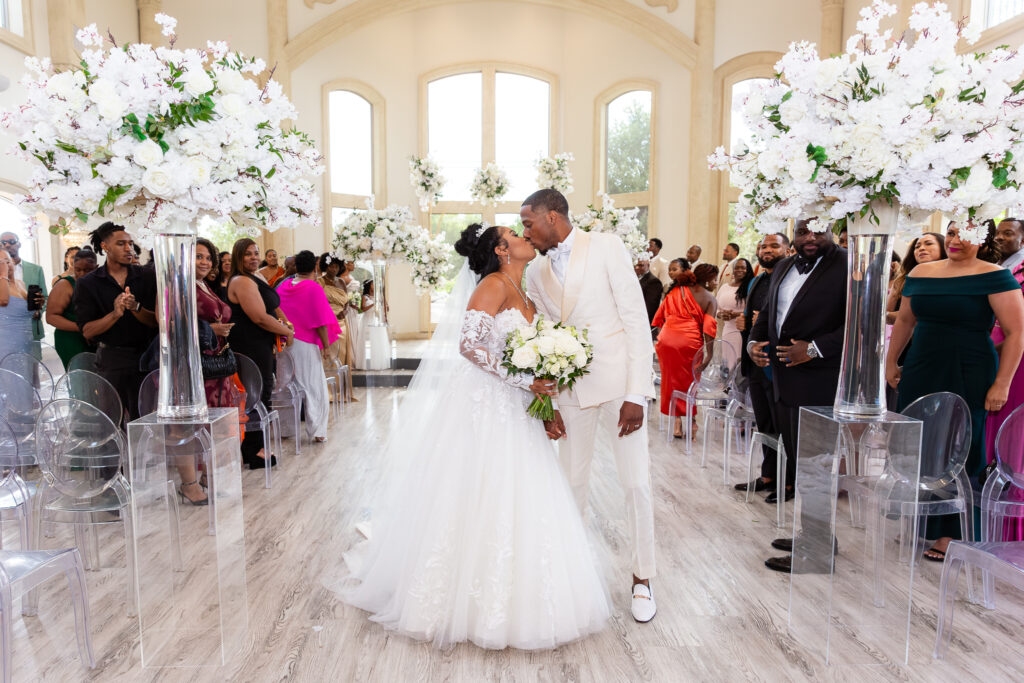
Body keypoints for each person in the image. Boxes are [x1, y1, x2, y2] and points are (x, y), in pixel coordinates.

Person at [336, 222, 610, 649]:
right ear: (502, 250)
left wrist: (545, 405)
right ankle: (460, 601)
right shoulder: (492, 286)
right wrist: (523, 381)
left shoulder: (526, 291)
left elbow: (531, 358)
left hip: (518, 409)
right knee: (480, 487)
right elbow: (469, 346)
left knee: (522, 493)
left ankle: (523, 597)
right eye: (515, 236)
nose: (525, 238)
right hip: (486, 405)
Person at [522, 189, 658, 623]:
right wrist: (549, 406)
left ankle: (642, 578)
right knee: (570, 484)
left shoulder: (606, 246)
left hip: (621, 385)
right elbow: (543, 336)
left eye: (529, 223)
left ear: (554, 217)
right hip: (569, 391)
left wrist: (637, 393)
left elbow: (635, 319)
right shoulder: (535, 273)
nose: (527, 232)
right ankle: (570, 579)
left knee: (635, 483)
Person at [887, 221, 1024, 561]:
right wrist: (891, 362)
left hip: (970, 368)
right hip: (921, 364)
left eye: (965, 234)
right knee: (919, 442)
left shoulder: (995, 276)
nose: (955, 240)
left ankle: (953, 532)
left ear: (984, 240)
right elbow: (905, 321)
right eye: (950, 233)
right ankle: (926, 523)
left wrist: (1002, 383)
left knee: (961, 446)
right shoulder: (922, 274)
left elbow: (1016, 332)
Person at [749, 220, 847, 574]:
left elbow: (859, 324)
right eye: (804, 231)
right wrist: (752, 344)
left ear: (832, 231)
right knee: (801, 465)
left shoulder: (849, 265)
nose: (810, 238)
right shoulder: (786, 265)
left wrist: (817, 349)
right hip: (784, 382)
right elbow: (770, 315)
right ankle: (816, 536)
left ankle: (817, 551)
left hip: (821, 384)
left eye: (818, 232)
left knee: (816, 467)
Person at [74, 223, 157, 419]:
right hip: (111, 359)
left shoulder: (147, 276)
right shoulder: (88, 283)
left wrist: (136, 308)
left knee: (145, 418)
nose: (128, 249)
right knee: (111, 419)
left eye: (130, 243)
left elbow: (156, 322)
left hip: (145, 357)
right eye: (121, 244)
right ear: (105, 246)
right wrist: (115, 314)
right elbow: (87, 331)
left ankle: (141, 451)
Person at [227, 238, 294, 469]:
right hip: (249, 345)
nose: (254, 257)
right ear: (238, 256)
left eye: (256, 253)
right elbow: (258, 317)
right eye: (248, 254)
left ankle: (258, 446)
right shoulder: (241, 281)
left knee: (264, 392)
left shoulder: (256, 277)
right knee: (256, 396)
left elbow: (272, 308)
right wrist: (286, 331)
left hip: (261, 345)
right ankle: (254, 450)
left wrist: (284, 323)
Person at [734, 233, 790, 497]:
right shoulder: (758, 279)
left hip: (777, 361)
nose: (767, 250)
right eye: (763, 246)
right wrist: (745, 322)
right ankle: (768, 475)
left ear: (788, 250)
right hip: (755, 360)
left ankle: (787, 482)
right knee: (764, 421)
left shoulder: (791, 277)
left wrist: (763, 322)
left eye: (774, 246)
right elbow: (751, 314)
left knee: (783, 425)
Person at [277, 251, 339, 444]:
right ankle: (318, 430)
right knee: (313, 386)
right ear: (315, 266)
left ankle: (285, 428)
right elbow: (320, 320)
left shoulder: (283, 285)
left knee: (285, 385)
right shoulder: (313, 287)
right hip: (305, 343)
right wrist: (326, 347)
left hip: (283, 341)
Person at [652, 258, 717, 439]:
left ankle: (677, 423)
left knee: (671, 381)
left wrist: (665, 335)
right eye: (714, 279)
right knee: (690, 382)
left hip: (666, 342)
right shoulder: (709, 298)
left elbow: (659, 318)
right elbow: (709, 329)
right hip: (689, 343)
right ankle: (692, 421)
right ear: (706, 280)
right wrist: (709, 355)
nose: (716, 283)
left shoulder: (675, 292)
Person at [46, 249, 98, 369]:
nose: (82, 274)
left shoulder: (98, 283)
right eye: (78, 269)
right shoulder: (64, 284)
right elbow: (51, 317)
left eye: (87, 270)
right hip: (71, 338)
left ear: (96, 267)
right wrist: (83, 329)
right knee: (80, 379)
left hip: (94, 337)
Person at [0, 231, 46, 342]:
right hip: (5, 334)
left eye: (11, 241)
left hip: (30, 330)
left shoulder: (34, 271)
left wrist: (39, 307)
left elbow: (44, 296)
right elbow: (4, 301)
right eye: (3, 242)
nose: (7, 245)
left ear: (19, 244)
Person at [714, 257, 753, 356]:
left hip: (743, 331)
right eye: (737, 267)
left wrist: (737, 314)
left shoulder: (751, 286)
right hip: (727, 329)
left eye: (743, 268)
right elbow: (716, 307)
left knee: (738, 361)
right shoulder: (724, 287)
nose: (739, 270)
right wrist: (720, 314)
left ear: (748, 270)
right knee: (727, 360)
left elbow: (755, 309)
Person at [635, 259, 663, 325]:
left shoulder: (654, 282)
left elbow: (649, 308)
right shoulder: (633, 278)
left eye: (641, 265)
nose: (637, 268)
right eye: (635, 265)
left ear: (648, 265)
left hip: (643, 322)